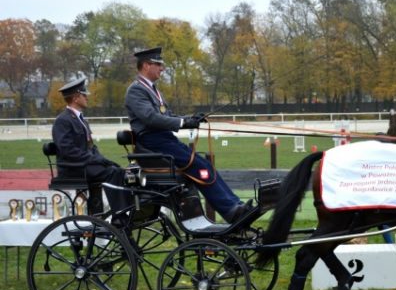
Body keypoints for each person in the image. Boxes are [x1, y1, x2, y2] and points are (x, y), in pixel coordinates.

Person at [124, 47, 253, 223]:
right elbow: (151, 118)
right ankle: (231, 211)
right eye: (158, 64)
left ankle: (235, 205)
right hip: (152, 142)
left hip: (164, 140)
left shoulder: (153, 90)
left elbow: (167, 117)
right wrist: (184, 123)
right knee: (202, 168)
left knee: (205, 165)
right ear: (146, 65)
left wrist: (190, 119)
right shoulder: (136, 90)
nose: (162, 68)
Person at [52, 77, 130, 217]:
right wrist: (93, 159)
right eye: (84, 94)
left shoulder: (80, 119)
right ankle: (120, 214)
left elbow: (90, 146)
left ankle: (100, 214)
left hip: (83, 164)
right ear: (76, 98)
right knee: (113, 173)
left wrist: (103, 159)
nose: (87, 97)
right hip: (73, 167)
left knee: (116, 169)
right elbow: (67, 150)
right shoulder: (63, 120)